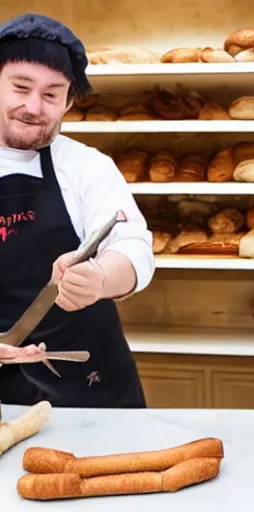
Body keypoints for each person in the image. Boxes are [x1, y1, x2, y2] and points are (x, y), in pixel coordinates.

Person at [0, 13, 155, 408]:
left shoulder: (87, 166)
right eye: (20, 88)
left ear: (68, 101)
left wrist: (100, 278)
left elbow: (132, 244)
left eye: (52, 95)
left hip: (87, 381)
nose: (33, 107)